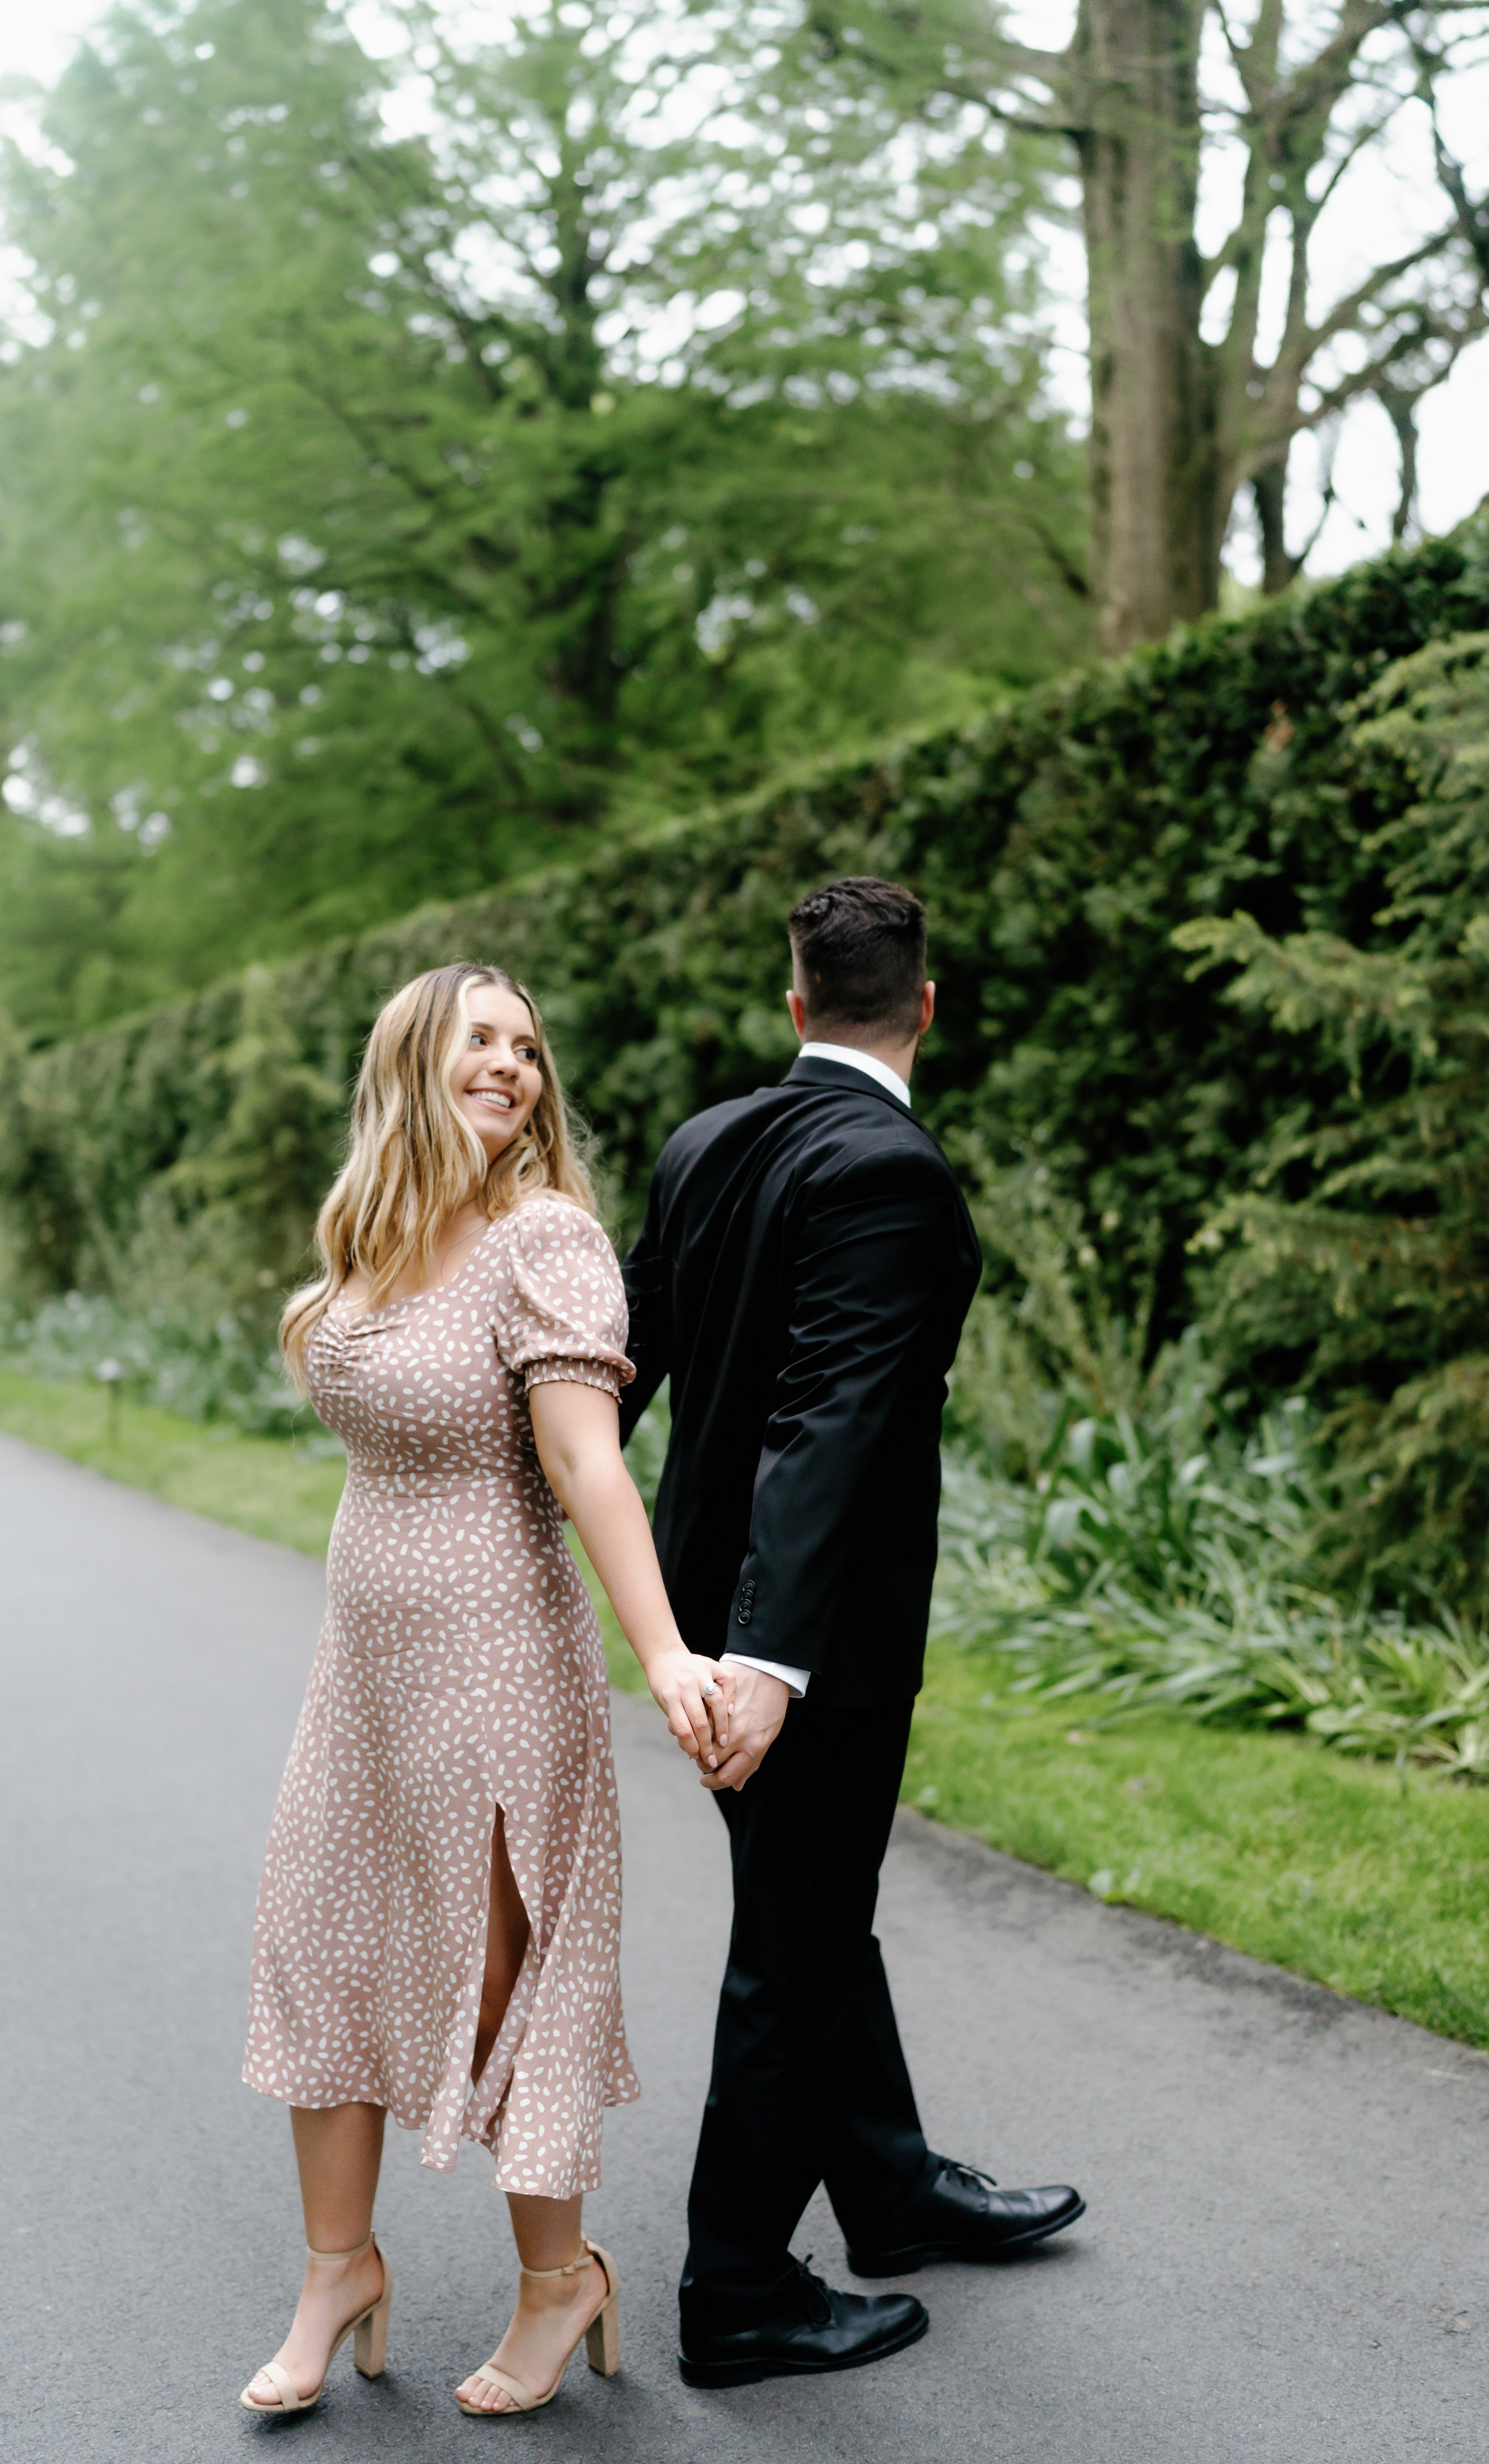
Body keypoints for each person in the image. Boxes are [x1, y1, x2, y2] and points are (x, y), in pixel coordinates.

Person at [238, 961, 732, 2420]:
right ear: (411, 1063)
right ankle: (340, 2269)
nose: (514, 1065)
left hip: (501, 1669)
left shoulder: (546, 1242)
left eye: (530, 1048)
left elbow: (588, 1465)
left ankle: (558, 2281)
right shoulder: (372, 1235)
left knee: (503, 1984)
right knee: (321, 1947)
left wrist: (663, 1653)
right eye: (482, 1041)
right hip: (366, 1678)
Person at [619, 876, 1085, 2390]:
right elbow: (826, 1429)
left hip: (710, 1617)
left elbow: (614, 1369)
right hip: (797, 1649)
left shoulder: (703, 1142)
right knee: (793, 1947)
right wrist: (768, 1658)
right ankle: (740, 2291)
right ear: (928, 1007)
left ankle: (887, 2191)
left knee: (812, 1916)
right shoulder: (892, 1168)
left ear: (798, 1001)